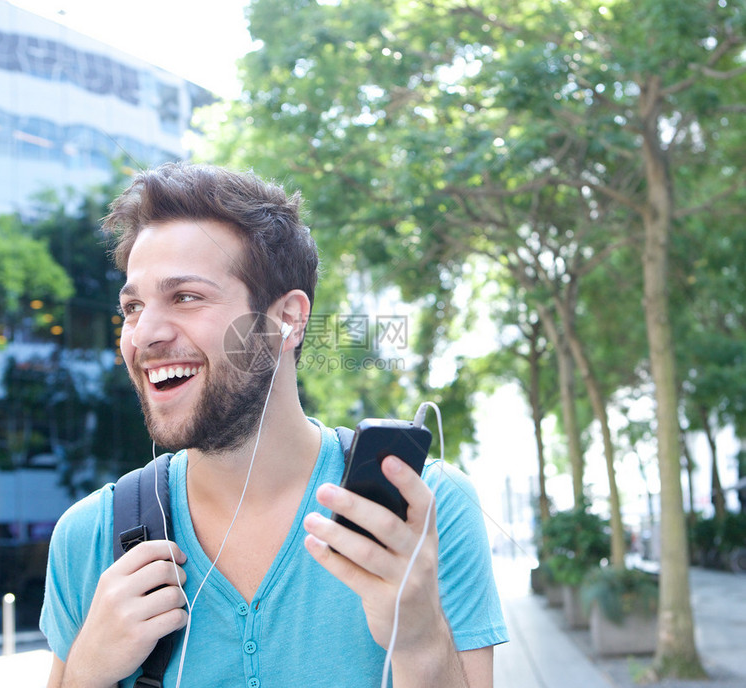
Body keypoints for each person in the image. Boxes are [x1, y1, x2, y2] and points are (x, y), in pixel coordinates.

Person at [40, 163, 508, 688]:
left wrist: (420, 638)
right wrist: (84, 671)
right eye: (132, 306)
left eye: (186, 297)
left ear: (287, 318)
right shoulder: (89, 537)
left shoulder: (422, 510)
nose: (143, 333)